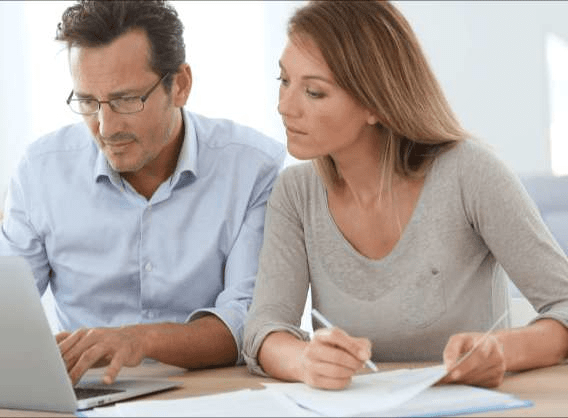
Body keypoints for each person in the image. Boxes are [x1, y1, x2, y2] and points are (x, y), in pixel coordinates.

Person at [243, 0, 568, 390]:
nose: (284, 106)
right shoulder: (296, 192)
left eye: (313, 92)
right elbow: (265, 329)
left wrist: (500, 350)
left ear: (375, 104)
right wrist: (303, 361)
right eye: (283, 81)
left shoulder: (470, 173)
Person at [0, 0, 285, 386]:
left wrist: (140, 339)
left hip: (209, 395)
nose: (106, 126)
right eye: (88, 102)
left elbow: (249, 322)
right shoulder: (41, 170)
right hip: (88, 395)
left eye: (126, 100)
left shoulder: (253, 168)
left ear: (179, 85)